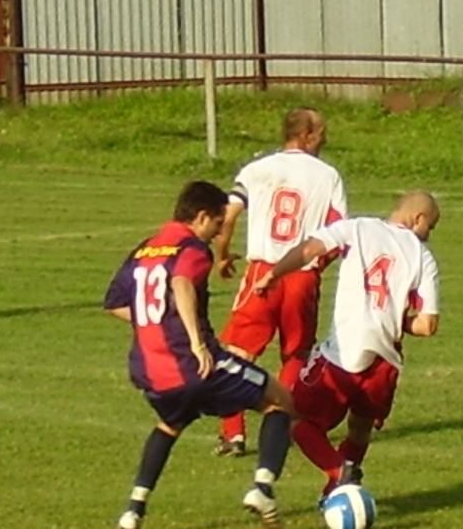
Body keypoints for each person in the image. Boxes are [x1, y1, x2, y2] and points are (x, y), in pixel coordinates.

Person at [103, 180, 295, 529]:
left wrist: (154, 322)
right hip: (195, 364)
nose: (220, 231)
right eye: (219, 223)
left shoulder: (144, 249)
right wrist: (196, 342)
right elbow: (180, 284)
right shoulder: (191, 249)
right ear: (202, 216)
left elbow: (115, 303)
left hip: (152, 370)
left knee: (170, 425)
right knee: (280, 401)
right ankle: (262, 488)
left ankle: (133, 510)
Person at [251, 190, 441, 505]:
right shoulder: (423, 257)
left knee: (294, 417)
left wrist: (274, 273)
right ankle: (337, 492)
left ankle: (340, 471)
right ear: (418, 217)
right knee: (360, 428)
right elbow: (428, 324)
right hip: (385, 359)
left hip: (344, 350)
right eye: (430, 227)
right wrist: (395, 320)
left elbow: (310, 248)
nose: (428, 235)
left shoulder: (357, 228)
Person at [212, 106, 348, 456]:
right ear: (306, 135)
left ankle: (232, 434)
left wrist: (222, 253)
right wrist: (319, 264)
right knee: (296, 354)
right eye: (321, 132)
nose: (325, 138)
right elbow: (338, 231)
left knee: (239, 352)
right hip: (301, 275)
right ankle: (283, 424)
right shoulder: (328, 176)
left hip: (262, 271)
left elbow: (228, 216)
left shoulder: (257, 170)